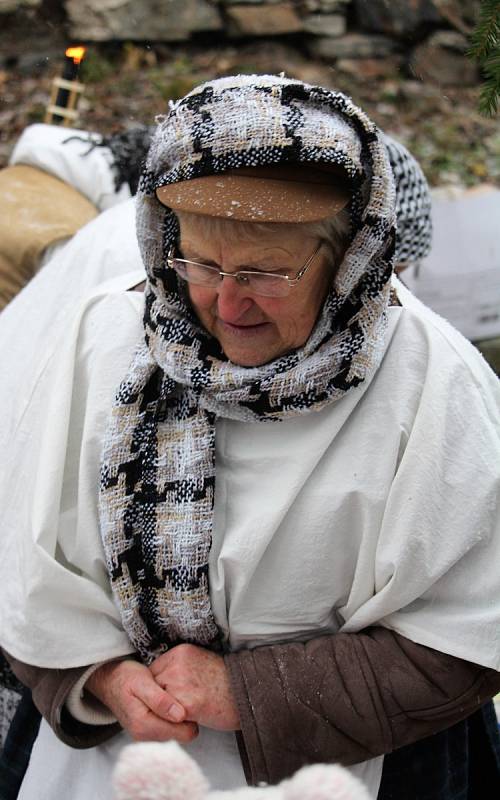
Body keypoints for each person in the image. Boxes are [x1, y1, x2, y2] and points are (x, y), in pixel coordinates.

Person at [0, 73, 499, 800]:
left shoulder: (431, 384)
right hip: (111, 763)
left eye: (265, 272)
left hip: (359, 769)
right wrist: (92, 677)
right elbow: (28, 563)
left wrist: (253, 692)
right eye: (201, 261)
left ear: (347, 260)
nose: (227, 303)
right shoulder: (101, 340)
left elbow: (470, 633)